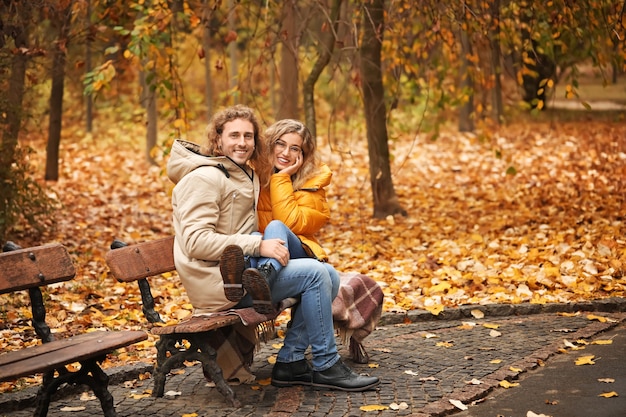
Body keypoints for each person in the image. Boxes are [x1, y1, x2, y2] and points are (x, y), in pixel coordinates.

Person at [167, 105, 379, 392]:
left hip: (241, 271)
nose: (242, 142)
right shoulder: (204, 178)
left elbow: (281, 219)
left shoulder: (241, 174)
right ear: (218, 140)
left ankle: (291, 362)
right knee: (318, 275)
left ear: (256, 142)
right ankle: (326, 364)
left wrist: (261, 241)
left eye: (248, 136)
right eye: (234, 136)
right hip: (221, 284)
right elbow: (195, 242)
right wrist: (258, 243)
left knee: (326, 273)